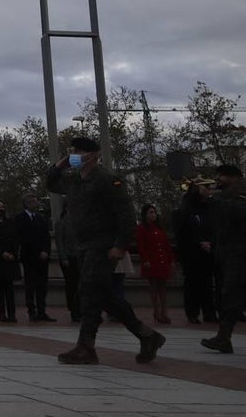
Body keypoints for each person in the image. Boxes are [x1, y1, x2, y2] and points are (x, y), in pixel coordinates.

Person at [46, 136, 164, 365]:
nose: (73, 155)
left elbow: (126, 215)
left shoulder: (108, 180)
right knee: (101, 295)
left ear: (93, 155)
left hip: (102, 245)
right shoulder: (75, 180)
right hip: (82, 246)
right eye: (72, 151)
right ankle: (146, 335)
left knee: (90, 292)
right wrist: (60, 164)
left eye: (78, 152)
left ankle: (86, 347)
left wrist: (120, 246)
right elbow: (51, 184)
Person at [201, 164, 246, 354]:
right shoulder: (224, 197)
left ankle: (224, 338)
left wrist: (212, 198)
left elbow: (242, 212)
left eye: (221, 176)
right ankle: (224, 338)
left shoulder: (244, 195)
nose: (217, 179)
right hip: (230, 254)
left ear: (234, 178)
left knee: (230, 294)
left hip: (242, 254)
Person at [173, 178, 218, 323]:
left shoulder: (209, 207)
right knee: (192, 283)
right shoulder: (186, 209)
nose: (210, 191)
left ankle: (209, 312)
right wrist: (199, 242)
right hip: (191, 254)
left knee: (207, 284)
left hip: (207, 253)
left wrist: (210, 242)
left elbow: (214, 227)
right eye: (207, 188)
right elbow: (183, 232)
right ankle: (192, 313)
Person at [16, 193, 55, 322]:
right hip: (29, 257)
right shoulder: (20, 218)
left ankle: (42, 310)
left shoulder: (40, 218)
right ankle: (31, 311)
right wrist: (37, 251)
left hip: (42, 259)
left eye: (35, 201)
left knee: (42, 286)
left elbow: (46, 237)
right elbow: (23, 238)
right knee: (30, 286)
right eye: (32, 202)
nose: (35, 204)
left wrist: (46, 251)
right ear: (26, 204)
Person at [135, 203, 174, 325]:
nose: (153, 215)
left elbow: (166, 246)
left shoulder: (159, 228)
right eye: (150, 212)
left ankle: (164, 312)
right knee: (154, 288)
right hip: (151, 262)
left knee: (163, 289)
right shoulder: (142, 228)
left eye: (154, 212)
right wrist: (145, 260)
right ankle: (156, 312)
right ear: (145, 215)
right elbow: (141, 246)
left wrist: (171, 260)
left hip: (162, 262)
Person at [55, 204, 81, 322]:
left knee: (80, 285)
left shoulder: (78, 221)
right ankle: (74, 310)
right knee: (71, 285)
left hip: (78, 257)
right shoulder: (61, 223)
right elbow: (59, 242)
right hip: (68, 257)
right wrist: (63, 257)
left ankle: (80, 308)